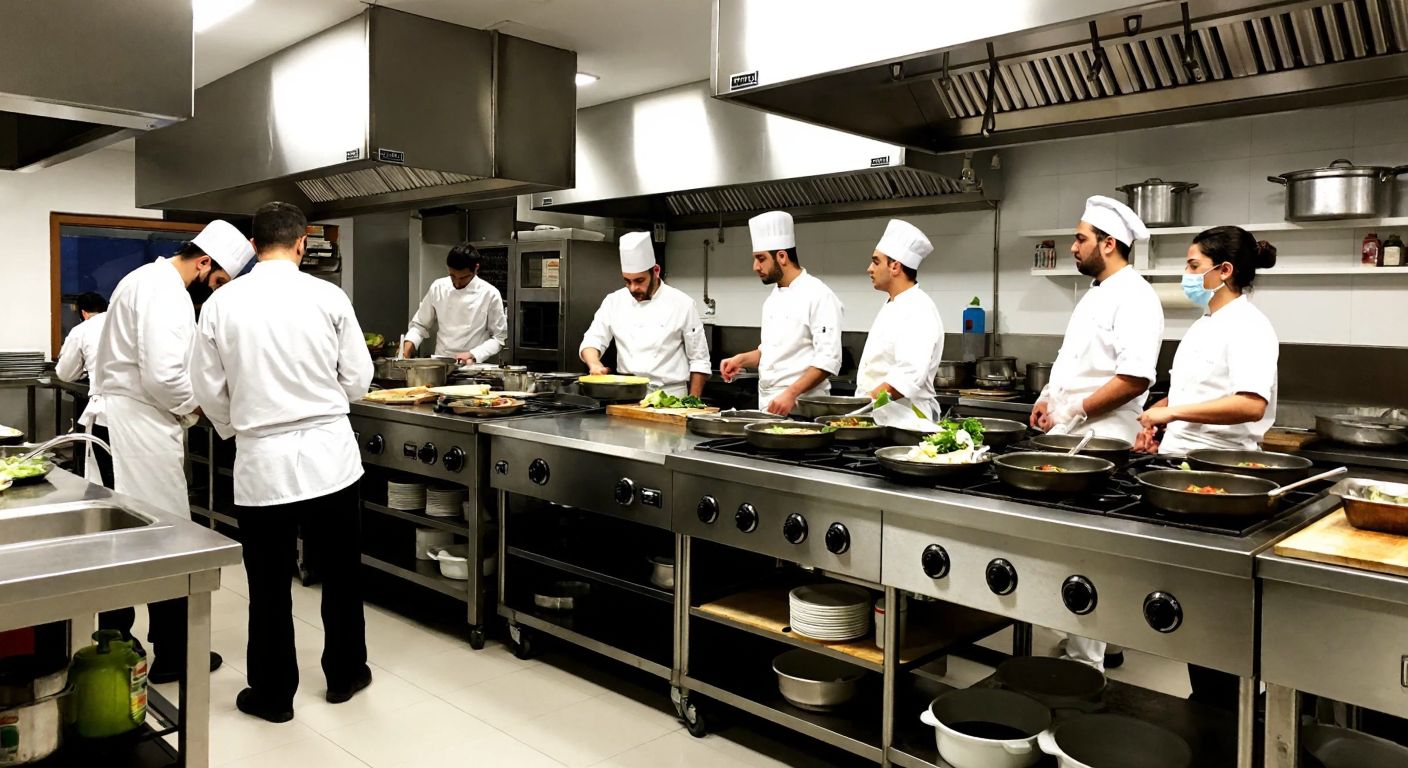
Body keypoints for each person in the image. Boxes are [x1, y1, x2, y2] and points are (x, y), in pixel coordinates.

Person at [190, 202, 375, 723]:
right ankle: (344, 674)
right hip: (330, 457)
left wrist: (239, 425)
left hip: (262, 462)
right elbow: (358, 377)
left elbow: (208, 387)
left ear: (252, 246)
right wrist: (320, 403)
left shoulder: (221, 304)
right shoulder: (329, 295)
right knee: (341, 573)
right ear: (300, 245)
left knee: (268, 584)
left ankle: (272, 695)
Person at [90, 219, 254, 681]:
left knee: (120, 545)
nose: (215, 291)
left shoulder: (143, 279)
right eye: (218, 281)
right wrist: (203, 410)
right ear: (204, 262)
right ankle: (174, 656)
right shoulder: (166, 292)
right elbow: (163, 377)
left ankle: (118, 647)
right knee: (166, 541)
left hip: (124, 424)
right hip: (138, 429)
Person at [1133, 226, 1279, 709]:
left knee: (1216, 610)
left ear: (1225, 271)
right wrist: (1160, 416)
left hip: (1221, 475)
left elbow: (1250, 404)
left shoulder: (1249, 325)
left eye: (1194, 266)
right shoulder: (1205, 321)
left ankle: (1234, 715)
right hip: (1183, 467)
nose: (1187, 275)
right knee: (1191, 606)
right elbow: (1196, 392)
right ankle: (1210, 708)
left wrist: (1171, 414)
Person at [1029, 195, 1164, 671]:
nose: (1072, 247)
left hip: (1103, 443)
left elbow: (1135, 378)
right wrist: (1049, 399)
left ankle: (1085, 669)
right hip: (1072, 439)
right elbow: (1075, 365)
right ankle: (1072, 650)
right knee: (1066, 551)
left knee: (1088, 556)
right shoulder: (1095, 293)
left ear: (1109, 244)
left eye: (1080, 238)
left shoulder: (1136, 296)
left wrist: (1076, 407)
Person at [720, 211, 844, 416]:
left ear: (782, 256)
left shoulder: (819, 295)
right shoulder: (772, 299)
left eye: (761, 259)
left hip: (802, 411)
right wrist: (740, 360)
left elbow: (828, 361)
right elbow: (772, 353)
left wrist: (791, 393)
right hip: (769, 406)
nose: (755, 267)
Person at [579, 231, 711, 396]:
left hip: (671, 396)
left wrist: (692, 403)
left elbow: (699, 360)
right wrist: (595, 365)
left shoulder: (683, 303)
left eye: (639, 281)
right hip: (627, 395)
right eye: (627, 281)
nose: (633, 288)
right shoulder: (614, 301)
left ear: (656, 271)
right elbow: (592, 340)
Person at [856, 219, 943, 425]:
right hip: (881, 418)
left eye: (876, 262)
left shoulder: (918, 308)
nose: (869, 268)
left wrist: (859, 407)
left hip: (905, 422)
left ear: (895, 266)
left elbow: (906, 377)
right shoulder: (893, 303)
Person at [400, 243, 507, 363]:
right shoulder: (438, 287)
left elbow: (499, 338)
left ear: (476, 268)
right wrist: (406, 349)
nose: (456, 283)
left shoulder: (490, 294)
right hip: (440, 364)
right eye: (452, 276)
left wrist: (473, 354)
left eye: (463, 278)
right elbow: (420, 325)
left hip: (473, 367)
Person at [55, 292, 111, 485]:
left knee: (108, 476)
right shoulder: (124, 323)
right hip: (140, 413)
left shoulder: (83, 328)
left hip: (106, 411)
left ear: (84, 313)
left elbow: (65, 373)